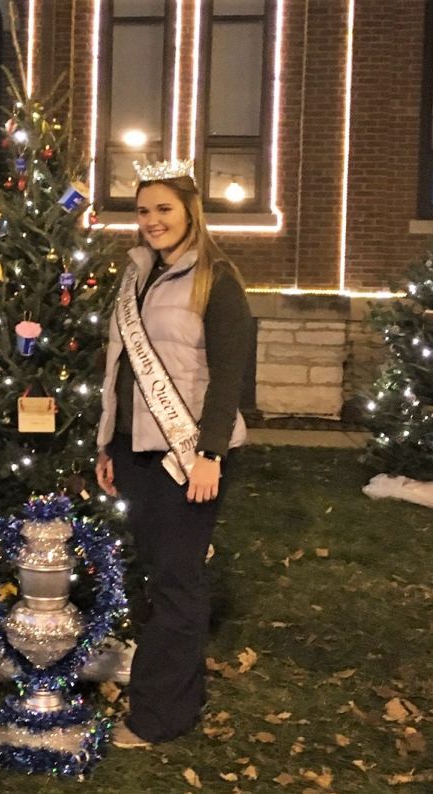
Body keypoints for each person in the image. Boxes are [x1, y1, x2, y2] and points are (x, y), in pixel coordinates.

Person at [95, 159, 253, 747]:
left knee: (178, 583)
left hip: (188, 457)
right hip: (136, 454)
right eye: (143, 211)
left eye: (164, 208)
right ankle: (166, 694)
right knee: (157, 578)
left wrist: (209, 452)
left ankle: (161, 717)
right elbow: (119, 370)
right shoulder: (136, 277)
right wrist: (108, 444)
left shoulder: (218, 279)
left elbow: (229, 376)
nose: (152, 221)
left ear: (190, 210)